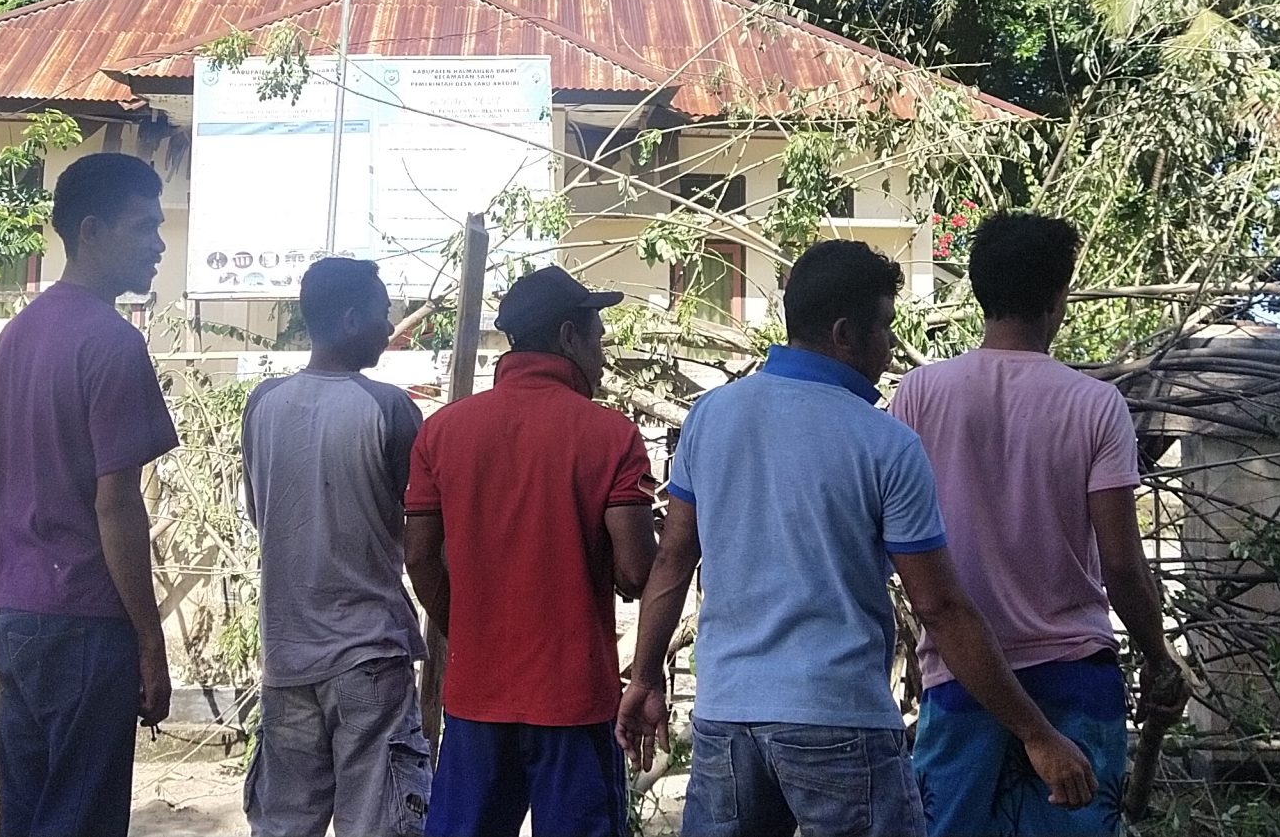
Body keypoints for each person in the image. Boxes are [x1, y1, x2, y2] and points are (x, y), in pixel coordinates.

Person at [618, 239, 1097, 837]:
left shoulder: (711, 417)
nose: (891, 345)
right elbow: (940, 608)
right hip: (838, 721)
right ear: (845, 334)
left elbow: (672, 561)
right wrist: (1036, 733)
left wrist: (644, 677)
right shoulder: (883, 442)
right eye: (885, 328)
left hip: (727, 719)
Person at [891, 213, 1182, 836]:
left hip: (962, 675)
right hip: (1073, 676)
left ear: (979, 290)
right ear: (1058, 296)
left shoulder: (918, 395)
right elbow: (1122, 565)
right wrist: (1159, 656)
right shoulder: (1095, 405)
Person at [405, 265, 659, 837]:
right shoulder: (611, 435)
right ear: (568, 336)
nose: (602, 359)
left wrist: (466, 630)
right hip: (575, 702)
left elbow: (418, 556)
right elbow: (636, 571)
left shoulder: (442, 431)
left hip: (476, 698)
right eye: (598, 341)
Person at [0, 152, 180, 837]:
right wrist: (149, 638)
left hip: (13, 611)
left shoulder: (16, 334)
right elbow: (116, 503)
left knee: (28, 815)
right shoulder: (112, 342)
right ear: (91, 230)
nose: (158, 243)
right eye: (143, 225)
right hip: (84, 621)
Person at [240, 257, 433, 836]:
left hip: (286, 655)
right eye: (381, 313)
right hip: (368, 652)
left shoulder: (263, 405)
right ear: (350, 319)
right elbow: (424, 535)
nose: (389, 326)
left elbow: (262, 515)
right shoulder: (390, 409)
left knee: (282, 826)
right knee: (378, 826)